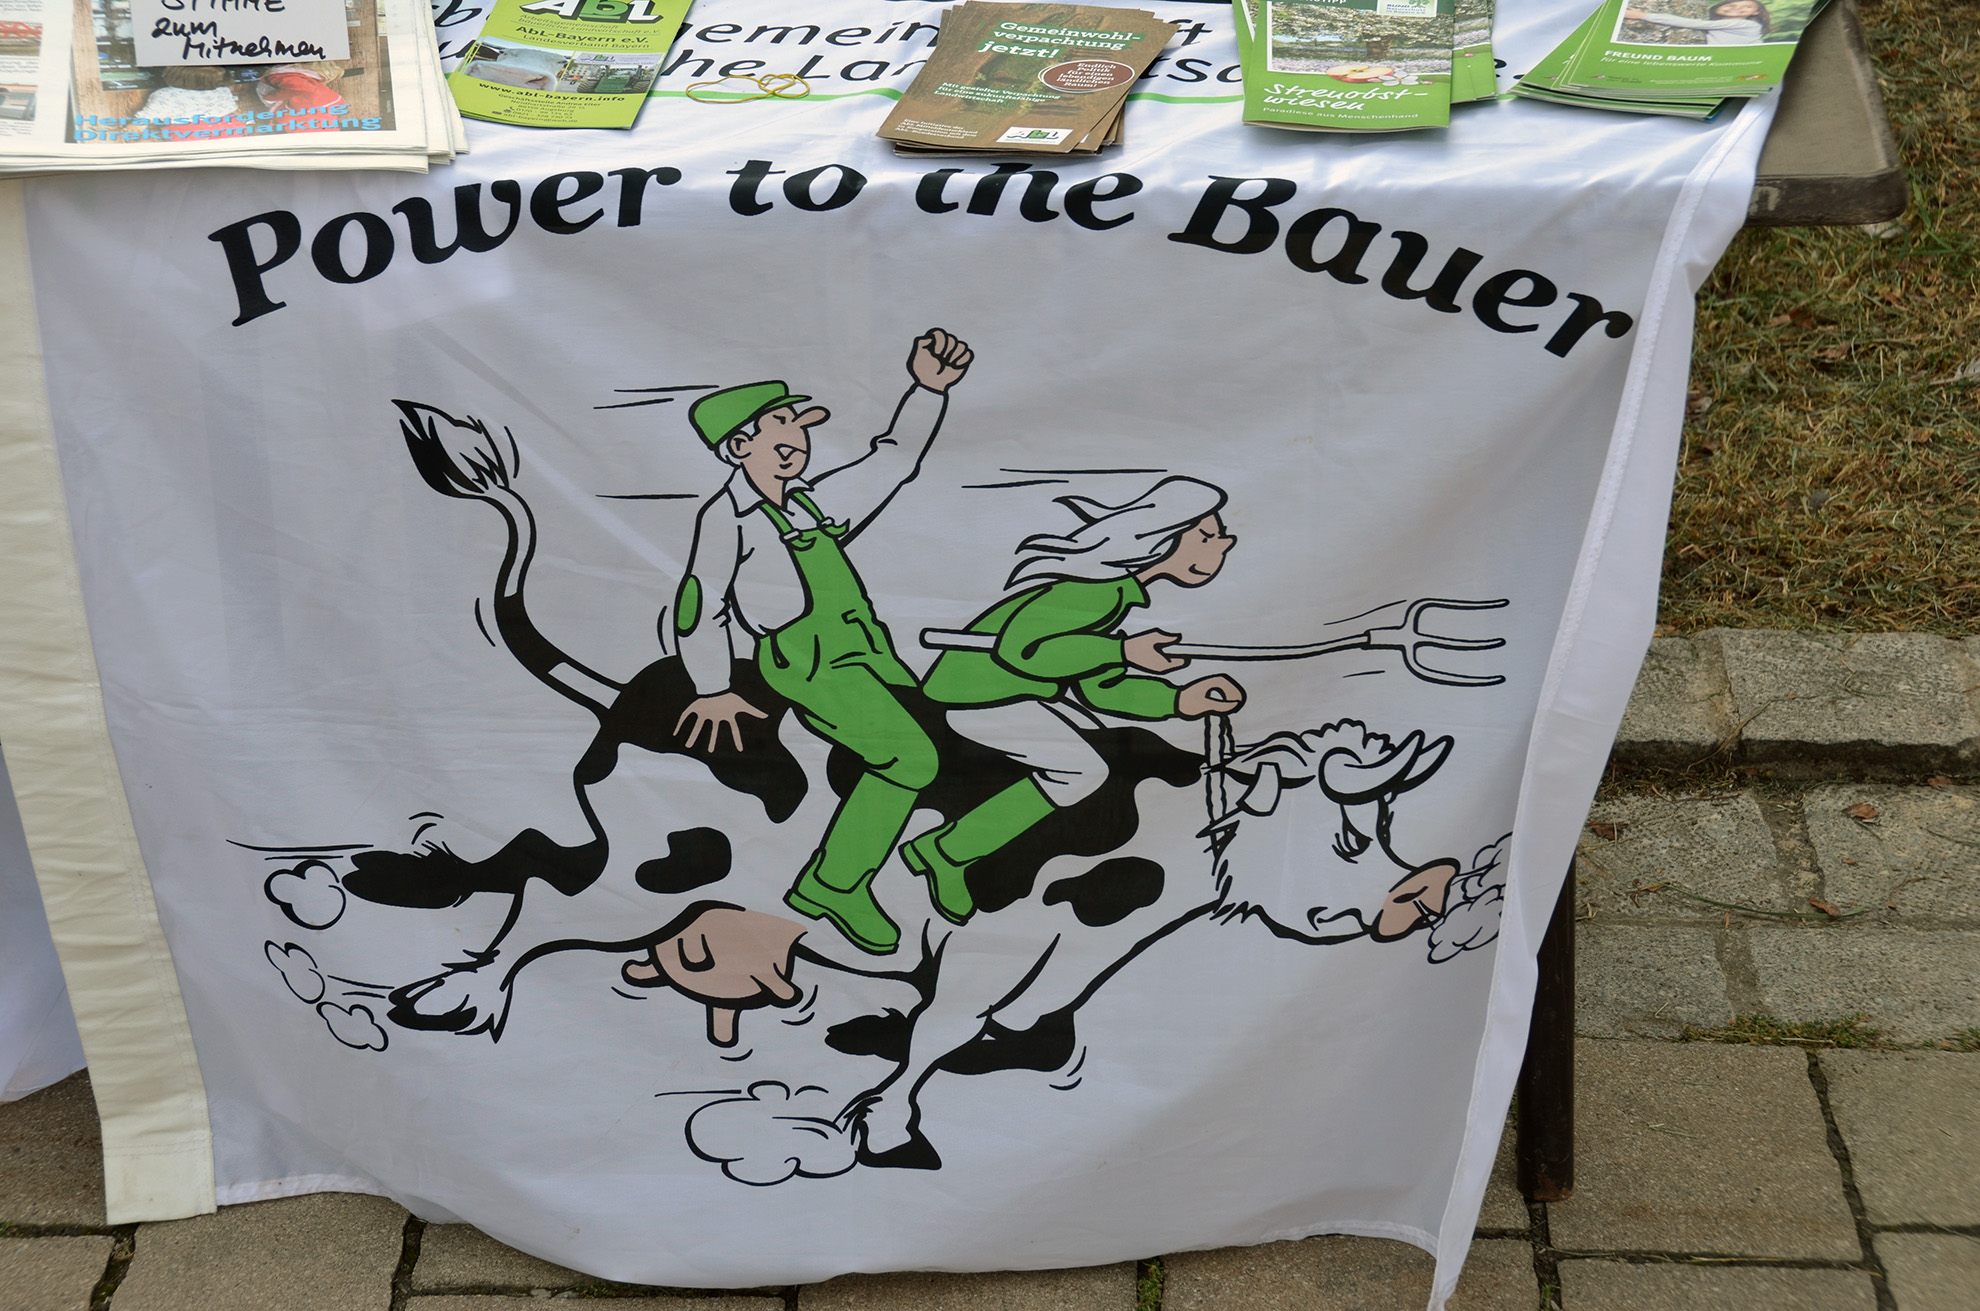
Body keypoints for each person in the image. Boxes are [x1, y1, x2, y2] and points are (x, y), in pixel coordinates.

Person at [671, 329, 974, 955]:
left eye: (800, 431)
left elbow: (892, 462)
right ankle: (834, 884)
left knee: (937, 747)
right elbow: (700, 603)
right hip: (806, 662)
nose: (797, 442)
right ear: (738, 447)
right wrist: (712, 686)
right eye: (780, 431)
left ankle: (937, 856)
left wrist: (927, 391)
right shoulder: (726, 518)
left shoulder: (811, 503)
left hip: (861, 646)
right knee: (909, 759)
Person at [903, 477, 1246, 924]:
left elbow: (1100, 687)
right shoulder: (1092, 590)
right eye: (1206, 535)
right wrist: (1123, 651)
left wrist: (1180, 700)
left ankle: (946, 850)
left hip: (1006, 696)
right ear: (1161, 535)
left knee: (1078, 768)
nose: (1223, 544)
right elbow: (1023, 650)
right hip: (977, 696)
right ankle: (946, 851)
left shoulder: (1113, 595)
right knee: (1080, 769)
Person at [1622, 1, 1770, 45]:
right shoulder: (1723, 23)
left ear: (1756, 13)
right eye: (1730, 4)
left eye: (1747, 6)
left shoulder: (1749, 25)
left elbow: (1695, 24)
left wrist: (1643, 15)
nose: (1736, 8)